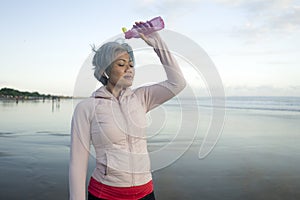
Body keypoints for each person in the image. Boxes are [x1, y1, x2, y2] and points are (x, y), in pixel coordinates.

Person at [69, 22, 186, 200]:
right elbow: (78, 163)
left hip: (146, 193)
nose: (129, 69)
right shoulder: (87, 107)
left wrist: (157, 43)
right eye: (121, 64)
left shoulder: (141, 98)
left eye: (131, 64)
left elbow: (177, 83)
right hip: (105, 194)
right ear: (105, 71)